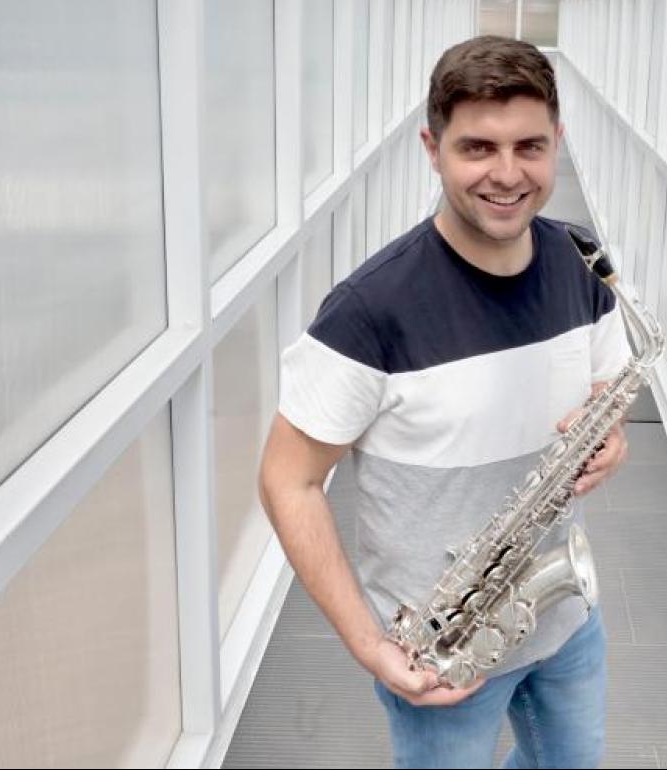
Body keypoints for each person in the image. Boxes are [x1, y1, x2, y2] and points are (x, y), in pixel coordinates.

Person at [258, 34, 631, 769]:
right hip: (441, 652)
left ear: (557, 141)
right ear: (432, 148)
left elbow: (605, 392)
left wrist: (612, 437)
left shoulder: (580, 260)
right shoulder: (368, 312)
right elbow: (287, 479)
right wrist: (369, 643)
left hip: (564, 617)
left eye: (529, 146)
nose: (506, 173)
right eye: (477, 148)